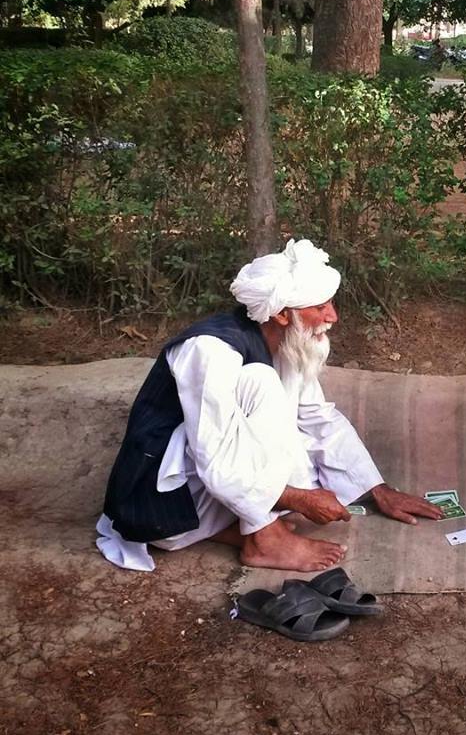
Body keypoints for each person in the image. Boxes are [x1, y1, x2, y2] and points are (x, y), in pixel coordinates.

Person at [97, 239, 441, 573]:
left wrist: (377, 489)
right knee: (261, 384)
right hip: (159, 501)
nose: (332, 316)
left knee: (301, 452)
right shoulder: (210, 351)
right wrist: (297, 498)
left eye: (331, 304)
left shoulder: (291, 342)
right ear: (280, 314)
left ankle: (236, 526)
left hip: (210, 484)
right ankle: (264, 539)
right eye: (320, 307)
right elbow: (215, 457)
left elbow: (316, 417)